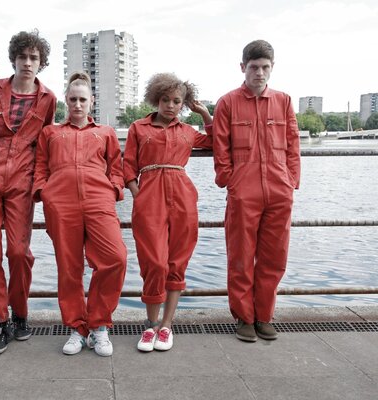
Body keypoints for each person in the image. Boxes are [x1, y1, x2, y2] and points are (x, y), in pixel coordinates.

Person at [0, 30, 56, 354]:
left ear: (41, 63)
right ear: (14, 59)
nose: (28, 63)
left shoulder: (48, 99)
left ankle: (20, 312)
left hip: (22, 182)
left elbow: (44, 140)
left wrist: (43, 182)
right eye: (23, 57)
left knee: (19, 252)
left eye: (34, 58)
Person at [33, 71, 127, 357]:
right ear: (66, 100)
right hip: (61, 204)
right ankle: (77, 327)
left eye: (82, 99)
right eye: (72, 99)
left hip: (99, 201)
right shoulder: (50, 133)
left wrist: (113, 190)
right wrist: (44, 192)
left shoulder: (106, 133)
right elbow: (40, 167)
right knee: (69, 266)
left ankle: (99, 324)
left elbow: (116, 168)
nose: (77, 104)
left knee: (115, 258)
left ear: (91, 102)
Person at [213, 40, 300, 342]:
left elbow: (292, 144)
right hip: (243, 191)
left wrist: (291, 181)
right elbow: (220, 146)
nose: (259, 73)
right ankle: (244, 317)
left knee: (274, 257)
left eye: (265, 67)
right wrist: (229, 180)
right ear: (243, 68)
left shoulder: (284, 101)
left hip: (279, 191)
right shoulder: (227, 102)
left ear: (272, 68)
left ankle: (264, 315)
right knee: (240, 256)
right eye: (253, 67)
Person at [123, 73, 213, 352]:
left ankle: (167, 325)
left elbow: (217, 141)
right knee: (155, 263)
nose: (170, 105)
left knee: (177, 262)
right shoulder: (139, 127)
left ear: (183, 104)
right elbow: (127, 166)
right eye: (165, 100)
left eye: (177, 101)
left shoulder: (188, 131)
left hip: (183, 197)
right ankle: (149, 326)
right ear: (156, 99)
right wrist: (139, 195)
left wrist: (205, 113)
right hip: (150, 197)